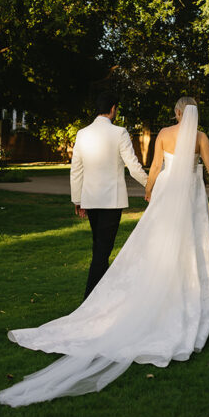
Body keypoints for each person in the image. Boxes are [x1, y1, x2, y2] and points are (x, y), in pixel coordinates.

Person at [0, 97, 209, 406]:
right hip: (189, 198)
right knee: (188, 249)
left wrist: (149, 192)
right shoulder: (200, 138)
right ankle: (181, 302)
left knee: (154, 248)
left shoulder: (162, 133)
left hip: (162, 195)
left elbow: (157, 166)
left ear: (176, 113)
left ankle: (143, 296)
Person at [70, 92, 149, 300]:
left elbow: (76, 169)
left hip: (90, 200)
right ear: (113, 108)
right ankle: (90, 301)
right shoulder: (120, 133)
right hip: (111, 202)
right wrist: (152, 186)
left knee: (99, 247)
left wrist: (77, 200)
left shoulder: (82, 133)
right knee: (102, 251)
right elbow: (133, 167)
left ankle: (101, 297)